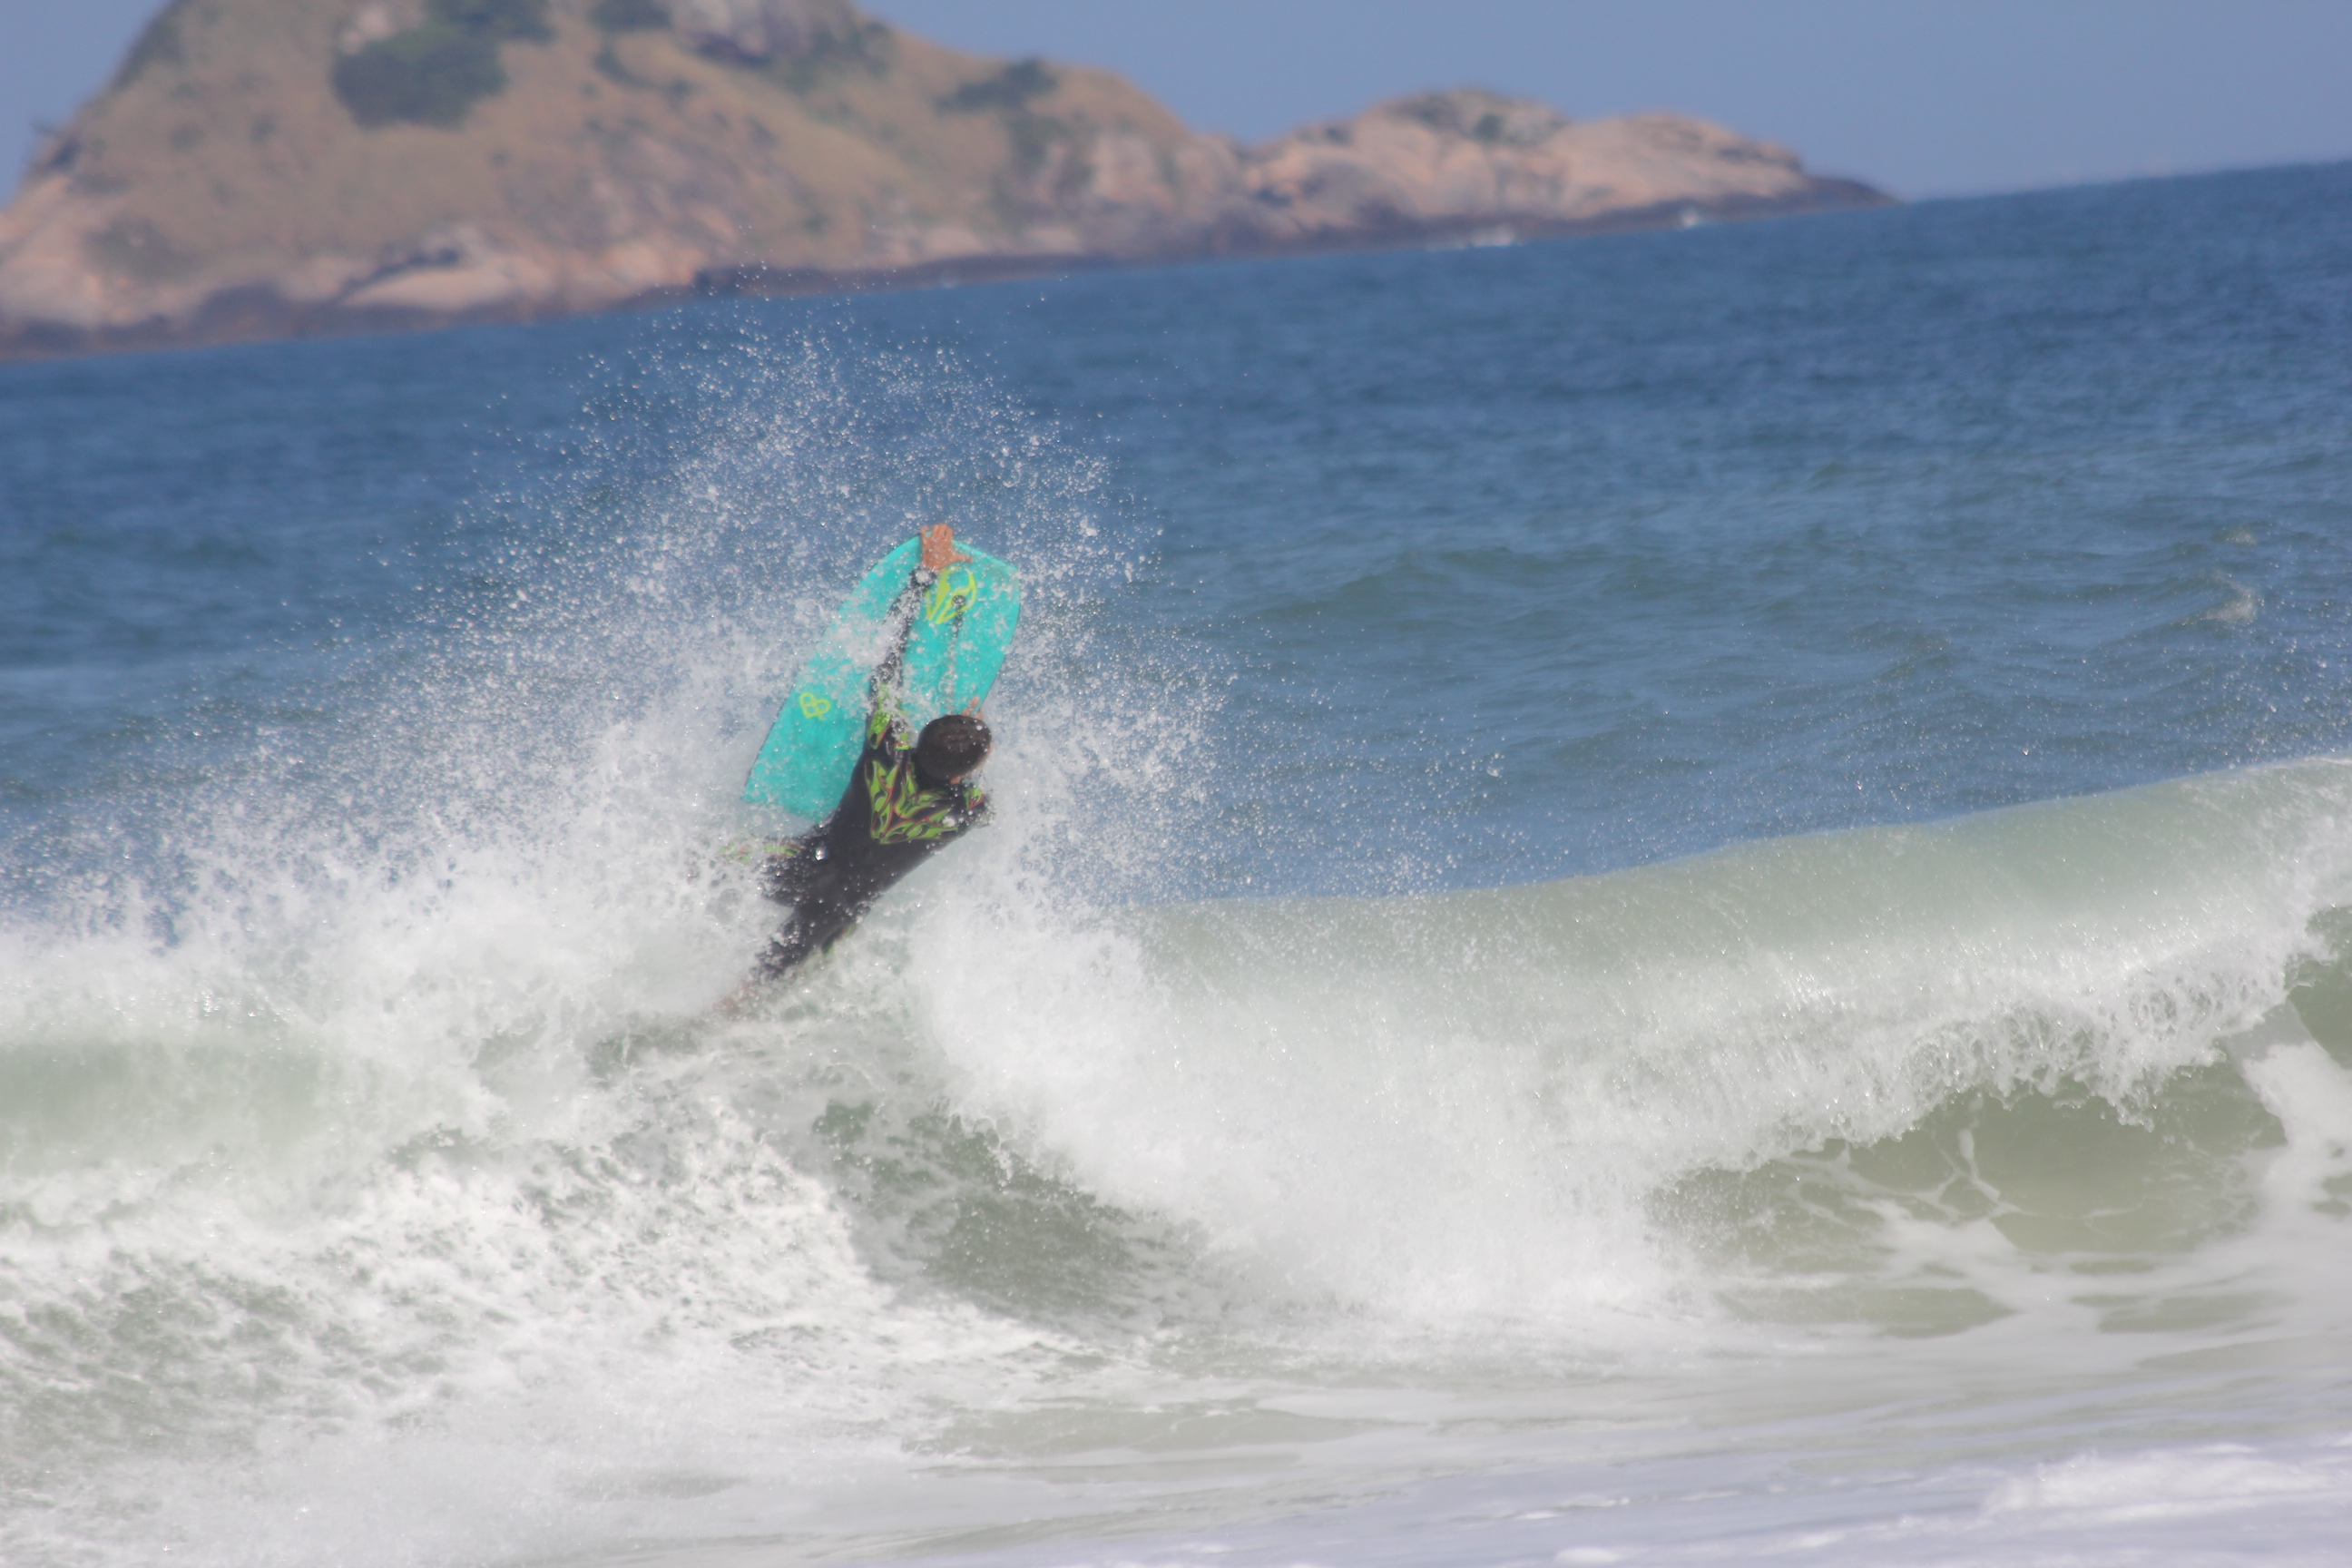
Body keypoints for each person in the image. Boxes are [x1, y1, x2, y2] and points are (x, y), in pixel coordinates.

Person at [750, 698, 992, 978]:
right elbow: (986, 809)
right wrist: (969, 751)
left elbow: (884, 691)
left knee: (713, 865)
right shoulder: (964, 813)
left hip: (804, 862)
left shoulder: (885, 748)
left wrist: (953, 732)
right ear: (962, 775)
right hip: (838, 913)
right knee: (759, 985)